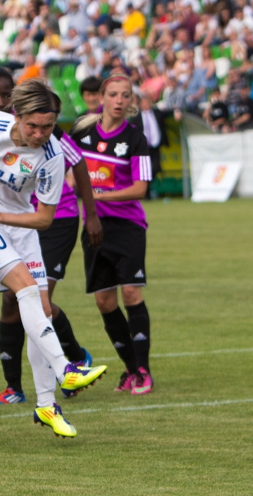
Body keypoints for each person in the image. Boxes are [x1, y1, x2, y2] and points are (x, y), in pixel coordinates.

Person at [0, 79, 107, 438]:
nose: (39, 133)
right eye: (33, 125)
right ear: (16, 116)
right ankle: (67, 366)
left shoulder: (52, 159)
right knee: (25, 290)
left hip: (17, 224)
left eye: (48, 126)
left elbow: (45, 219)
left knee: (41, 309)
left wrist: (3, 217)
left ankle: (47, 406)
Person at [70, 74, 155, 395]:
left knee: (131, 294)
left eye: (126, 95)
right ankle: (131, 369)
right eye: (114, 94)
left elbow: (141, 187)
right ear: (101, 98)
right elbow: (63, 167)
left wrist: (96, 196)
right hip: (92, 227)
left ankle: (144, 370)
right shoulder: (82, 131)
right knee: (105, 301)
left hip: (128, 226)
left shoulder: (136, 139)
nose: (120, 100)